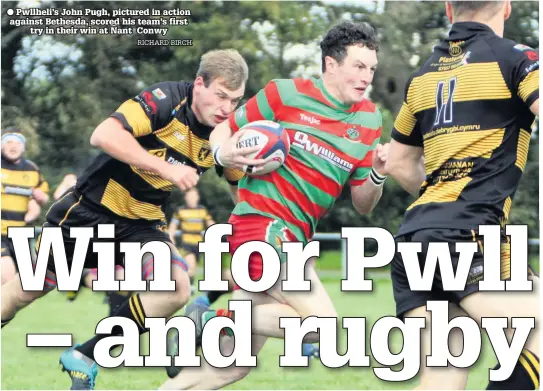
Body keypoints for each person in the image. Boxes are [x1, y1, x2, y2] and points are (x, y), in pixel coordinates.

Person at [1, 48, 253, 390]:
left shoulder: (227, 132)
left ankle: (87, 355)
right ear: (199, 84)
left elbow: (239, 187)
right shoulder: (165, 100)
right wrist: (165, 167)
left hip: (141, 224)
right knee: (22, 293)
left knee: (177, 288)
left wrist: (254, 226)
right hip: (87, 214)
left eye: (235, 101)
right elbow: (103, 135)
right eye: (221, 96)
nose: (226, 108)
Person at [161, 20, 389, 390]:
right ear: (331, 64)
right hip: (261, 224)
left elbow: (363, 203)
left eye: (372, 69)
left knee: (231, 366)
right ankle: (210, 317)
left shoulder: (369, 119)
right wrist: (225, 152)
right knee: (321, 328)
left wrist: (378, 173)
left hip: (292, 237)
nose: (366, 77)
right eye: (358, 67)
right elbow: (224, 128)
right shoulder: (285, 94)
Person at [383, 1, 539, 389]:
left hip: (417, 237)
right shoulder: (518, 60)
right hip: (468, 236)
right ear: (506, 7)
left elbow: (400, 163)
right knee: (534, 343)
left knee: (443, 374)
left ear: (450, 8)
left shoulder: (422, 76)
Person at [1, 128, 49, 285]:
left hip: (19, 234)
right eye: (8, 142)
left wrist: (40, 199)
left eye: (17, 143)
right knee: (6, 277)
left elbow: (40, 198)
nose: (13, 146)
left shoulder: (32, 170)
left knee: (23, 284)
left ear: (23, 148)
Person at [168, 187, 215, 294]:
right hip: (187, 243)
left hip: (199, 244)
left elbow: (210, 224)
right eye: (189, 196)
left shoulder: (202, 211)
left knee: (194, 269)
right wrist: (171, 237)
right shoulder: (180, 211)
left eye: (193, 196)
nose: (191, 199)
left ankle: (191, 284)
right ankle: (189, 288)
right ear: (186, 198)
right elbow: (172, 227)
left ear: (197, 197)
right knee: (191, 264)